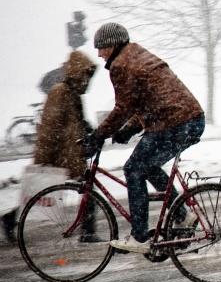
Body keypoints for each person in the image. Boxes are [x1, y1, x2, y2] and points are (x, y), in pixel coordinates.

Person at [83, 23, 205, 254]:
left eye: (101, 48)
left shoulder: (121, 64)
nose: (99, 54)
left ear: (113, 45)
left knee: (133, 169)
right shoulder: (137, 55)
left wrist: (98, 135)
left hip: (174, 123)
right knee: (146, 166)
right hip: (189, 119)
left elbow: (123, 107)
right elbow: (148, 100)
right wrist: (128, 129)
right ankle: (183, 214)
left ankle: (140, 237)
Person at [2, 51, 98, 243]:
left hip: (71, 152)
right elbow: (49, 127)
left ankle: (88, 232)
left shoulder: (73, 94)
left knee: (86, 189)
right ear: (78, 73)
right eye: (86, 75)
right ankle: (10, 217)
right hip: (60, 154)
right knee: (40, 190)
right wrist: (43, 159)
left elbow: (79, 122)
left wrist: (95, 134)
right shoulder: (60, 92)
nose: (88, 80)